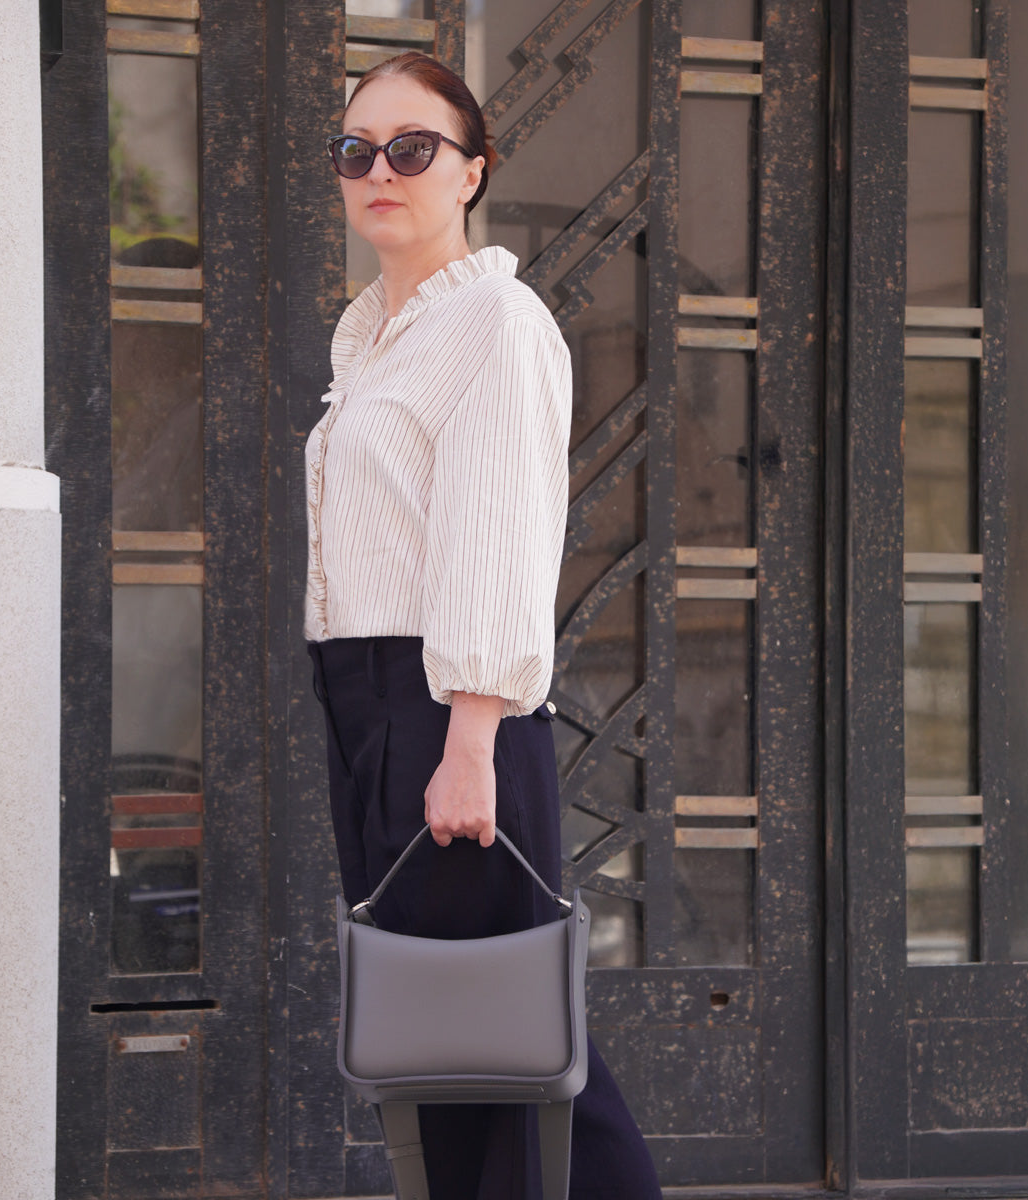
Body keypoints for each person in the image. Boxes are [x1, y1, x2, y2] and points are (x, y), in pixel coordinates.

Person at [305, 51, 664, 1200]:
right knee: (442, 1038)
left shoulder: (496, 322)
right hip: (372, 708)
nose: (380, 170)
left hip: (449, 710)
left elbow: (499, 536)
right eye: (357, 151)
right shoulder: (374, 338)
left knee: (514, 1042)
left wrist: (469, 743)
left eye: (412, 148)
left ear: (471, 172)